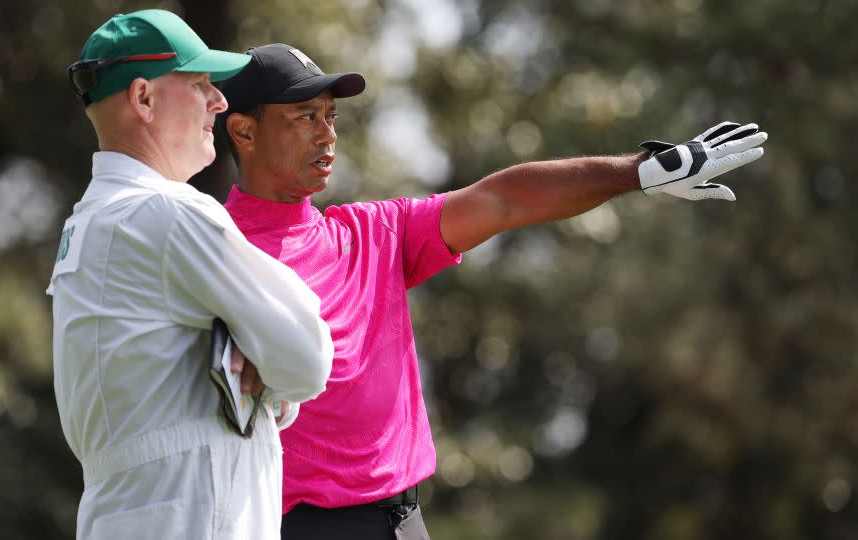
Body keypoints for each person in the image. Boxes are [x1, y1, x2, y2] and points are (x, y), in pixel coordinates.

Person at [218, 43, 768, 539]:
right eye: (304, 117)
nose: (328, 134)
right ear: (243, 131)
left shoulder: (370, 232)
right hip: (303, 528)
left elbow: (504, 200)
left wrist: (640, 172)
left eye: (331, 116)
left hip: (405, 522)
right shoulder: (211, 250)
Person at [49, 15, 333, 540]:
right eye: (201, 85)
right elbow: (309, 356)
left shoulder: (87, 223)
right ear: (144, 99)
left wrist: (273, 378)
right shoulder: (167, 211)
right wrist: (267, 361)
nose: (220, 102)